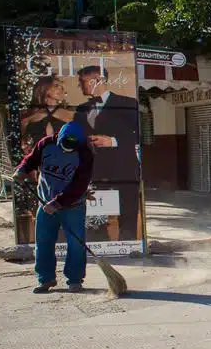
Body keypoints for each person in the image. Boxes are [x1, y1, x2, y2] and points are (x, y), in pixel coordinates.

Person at [12, 122, 94, 294]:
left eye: (71, 147)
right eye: (64, 146)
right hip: (45, 202)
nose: (66, 150)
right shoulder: (46, 144)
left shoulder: (85, 154)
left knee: (76, 244)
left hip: (73, 206)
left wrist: (58, 203)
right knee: (43, 242)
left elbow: (79, 186)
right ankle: (45, 279)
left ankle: (75, 280)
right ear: (59, 138)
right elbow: (31, 160)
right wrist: (21, 170)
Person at [73, 64, 141, 239]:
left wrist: (111, 141)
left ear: (97, 80)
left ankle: (129, 248)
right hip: (94, 173)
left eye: (82, 82)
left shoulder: (128, 104)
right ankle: (100, 248)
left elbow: (140, 135)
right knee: (96, 217)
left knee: (127, 215)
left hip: (123, 171)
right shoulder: (81, 109)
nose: (80, 86)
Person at [22, 75, 73, 149]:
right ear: (44, 88)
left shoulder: (69, 115)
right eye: (56, 86)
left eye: (62, 88)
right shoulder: (30, 118)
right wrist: (25, 147)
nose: (61, 89)